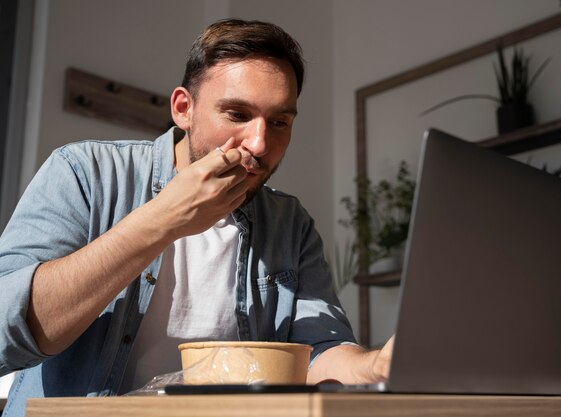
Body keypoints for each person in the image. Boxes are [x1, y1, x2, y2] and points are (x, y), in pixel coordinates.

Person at [0, 18, 393, 416]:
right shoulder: (85, 172)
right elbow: (4, 334)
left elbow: (316, 352)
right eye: (237, 114)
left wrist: (374, 366)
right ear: (183, 109)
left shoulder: (289, 222)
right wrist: (163, 219)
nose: (259, 143)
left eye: (279, 122)